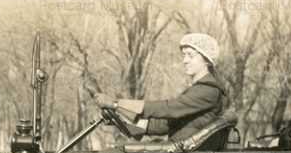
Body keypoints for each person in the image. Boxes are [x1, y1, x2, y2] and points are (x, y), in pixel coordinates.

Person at [93, 33, 228, 144]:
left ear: (206, 60)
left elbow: (169, 109)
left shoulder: (208, 90)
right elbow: (165, 125)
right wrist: (121, 119)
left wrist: (117, 104)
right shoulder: (201, 89)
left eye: (190, 55)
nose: (184, 60)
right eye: (184, 55)